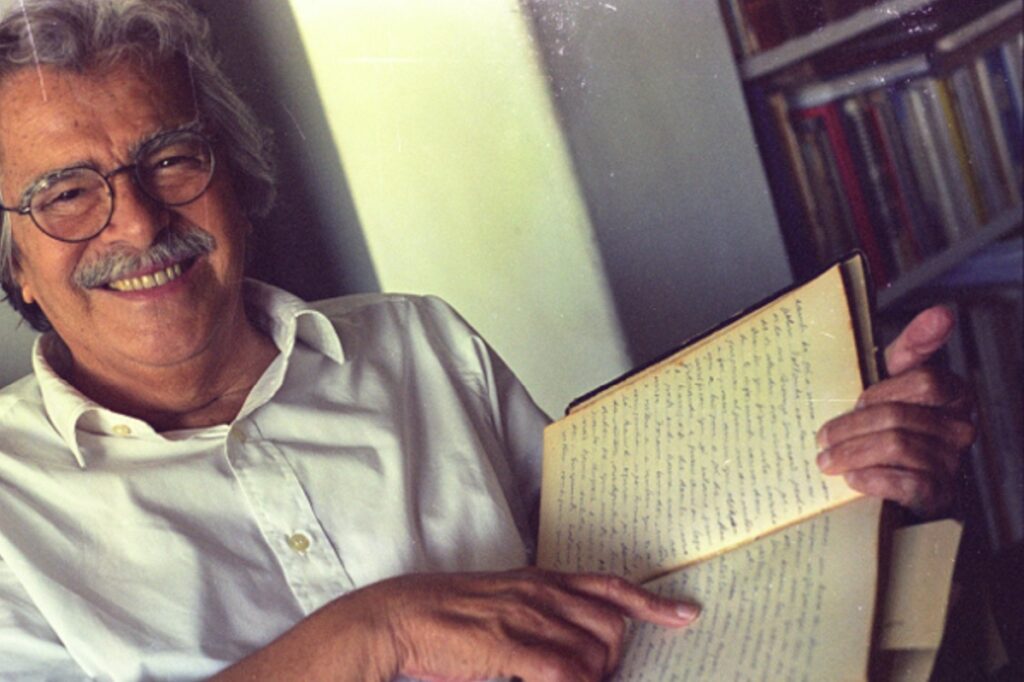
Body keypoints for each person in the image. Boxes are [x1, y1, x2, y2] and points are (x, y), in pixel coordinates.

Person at [0, 1, 974, 680]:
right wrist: (370, 634)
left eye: (171, 158)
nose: (136, 221)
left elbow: (634, 562)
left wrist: (843, 465)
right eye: (64, 193)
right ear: (16, 265)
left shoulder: (417, 340)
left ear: (233, 178)